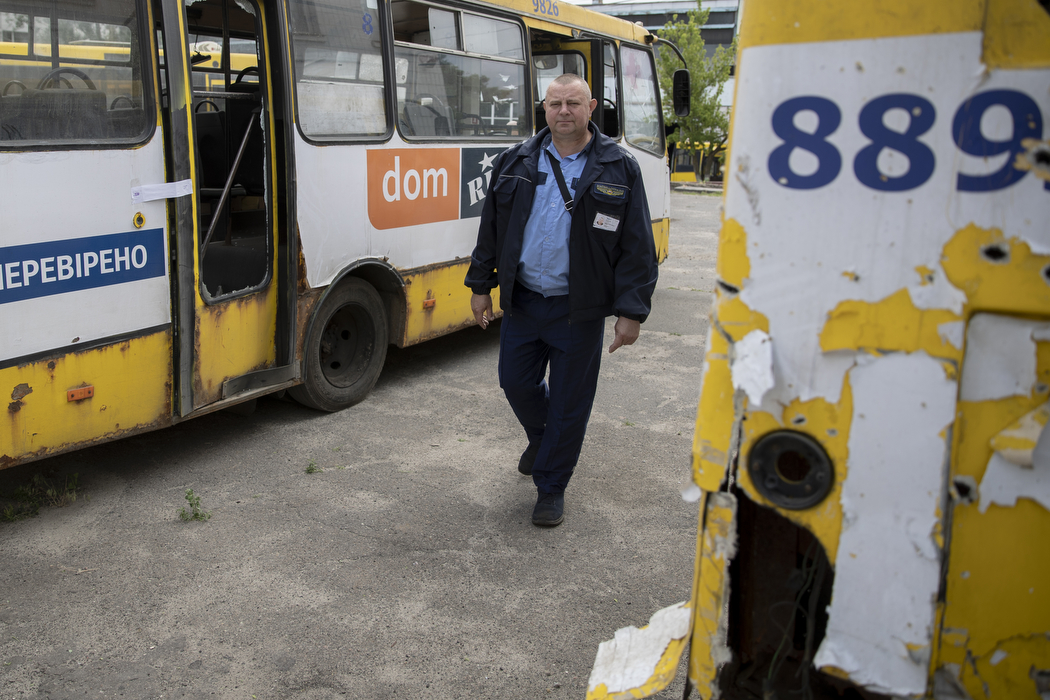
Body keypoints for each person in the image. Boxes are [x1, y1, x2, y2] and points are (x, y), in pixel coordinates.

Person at [464, 73, 658, 527]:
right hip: (525, 302)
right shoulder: (515, 160)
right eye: (555, 104)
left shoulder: (619, 166)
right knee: (515, 383)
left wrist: (632, 312)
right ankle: (545, 437)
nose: (563, 112)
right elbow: (491, 229)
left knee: (570, 402)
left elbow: (637, 246)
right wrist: (479, 286)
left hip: (578, 309)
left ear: (592, 107)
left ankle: (551, 488)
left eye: (573, 103)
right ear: (544, 108)